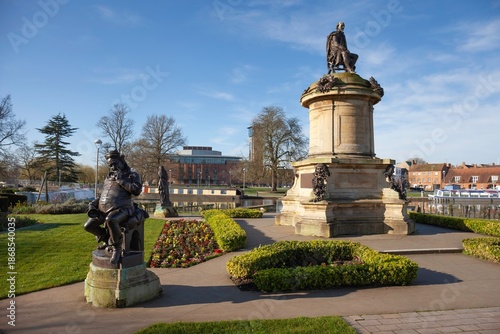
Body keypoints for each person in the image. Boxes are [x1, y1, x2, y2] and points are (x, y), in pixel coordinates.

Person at [84, 150, 142, 264]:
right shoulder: (108, 177)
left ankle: (117, 248)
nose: (113, 167)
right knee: (88, 226)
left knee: (111, 220)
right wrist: (93, 204)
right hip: (103, 209)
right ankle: (108, 239)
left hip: (123, 208)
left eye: (115, 163)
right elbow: (103, 195)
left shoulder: (132, 175)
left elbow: (136, 191)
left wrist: (121, 180)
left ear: (122, 161)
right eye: (110, 165)